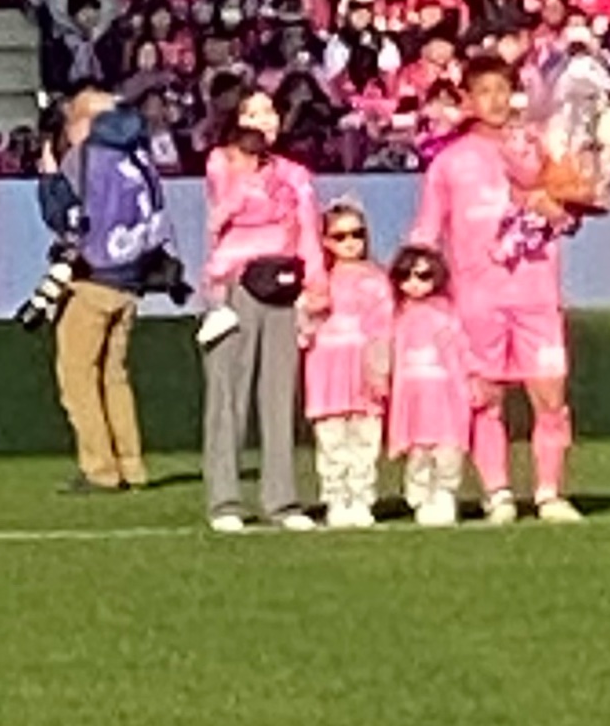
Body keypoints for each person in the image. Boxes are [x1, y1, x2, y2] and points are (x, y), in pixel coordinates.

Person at [413, 56, 581, 525]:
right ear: (467, 100)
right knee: (485, 398)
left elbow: (571, 214)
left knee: (550, 397)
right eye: (484, 91)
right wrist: (414, 288)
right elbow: (427, 230)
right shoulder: (449, 163)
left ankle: (549, 492)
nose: (495, 100)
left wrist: (558, 210)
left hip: (536, 293)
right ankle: (498, 492)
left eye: (502, 90)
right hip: (477, 297)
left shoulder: (539, 148)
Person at [38, 86, 185, 491]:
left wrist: (49, 178)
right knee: (114, 376)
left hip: (91, 278)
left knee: (78, 378)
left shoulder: (85, 159)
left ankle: (99, 468)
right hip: (132, 277)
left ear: (86, 122)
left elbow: (64, 217)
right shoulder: (139, 156)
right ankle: (132, 464)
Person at [201, 90, 327, 532]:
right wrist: (258, 181)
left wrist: (316, 285)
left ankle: (282, 500)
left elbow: (309, 230)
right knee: (229, 395)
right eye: (252, 113)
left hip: (283, 284)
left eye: (269, 111)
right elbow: (227, 209)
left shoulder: (295, 173)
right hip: (236, 282)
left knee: (279, 396)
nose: (263, 120)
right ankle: (225, 501)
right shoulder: (224, 162)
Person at [301, 199, 393, 528]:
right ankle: (337, 498)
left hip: (364, 369)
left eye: (357, 233)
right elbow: (302, 328)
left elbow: (384, 328)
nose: (350, 242)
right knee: (332, 439)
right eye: (340, 236)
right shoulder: (317, 279)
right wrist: (308, 309)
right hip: (327, 371)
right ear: (325, 241)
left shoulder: (378, 279)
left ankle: (362, 497)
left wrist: (380, 369)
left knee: (365, 438)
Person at [387, 244, 480, 528]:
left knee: (448, 451)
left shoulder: (448, 314)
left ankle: (444, 494)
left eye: (423, 276)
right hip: (411, 399)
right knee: (418, 453)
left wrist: (473, 378)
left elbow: (464, 349)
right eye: (406, 276)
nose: (414, 283)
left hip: (447, 399)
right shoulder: (396, 315)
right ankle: (420, 498)